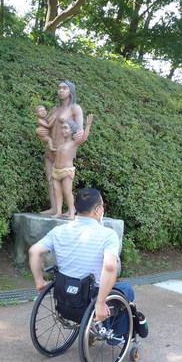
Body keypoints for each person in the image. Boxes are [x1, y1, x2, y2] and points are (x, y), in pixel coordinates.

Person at [28, 188, 134, 340]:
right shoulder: (108, 235)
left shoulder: (59, 231)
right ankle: (114, 336)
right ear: (97, 210)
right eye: (102, 206)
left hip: (64, 295)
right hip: (90, 297)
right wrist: (100, 302)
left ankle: (92, 327)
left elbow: (34, 251)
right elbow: (110, 267)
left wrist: (39, 281)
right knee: (126, 290)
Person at [41, 81, 84, 216]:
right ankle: (55, 208)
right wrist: (44, 136)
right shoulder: (55, 109)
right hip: (51, 149)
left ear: (70, 91)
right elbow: (45, 128)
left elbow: (79, 131)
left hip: (64, 151)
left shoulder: (75, 108)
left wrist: (68, 123)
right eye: (59, 88)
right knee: (50, 180)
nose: (60, 90)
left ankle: (71, 209)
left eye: (64, 88)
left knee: (66, 185)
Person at [52, 115, 94, 218]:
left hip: (67, 171)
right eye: (62, 128)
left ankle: (71, 211)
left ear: (72, 131)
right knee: (57, 192)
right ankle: (58, 211)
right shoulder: (60, 144)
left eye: (66, 128)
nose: (63, 130)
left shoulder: (74, 143)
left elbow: (84, 138)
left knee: (67, 191)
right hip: (56, 171)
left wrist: (88, 125)